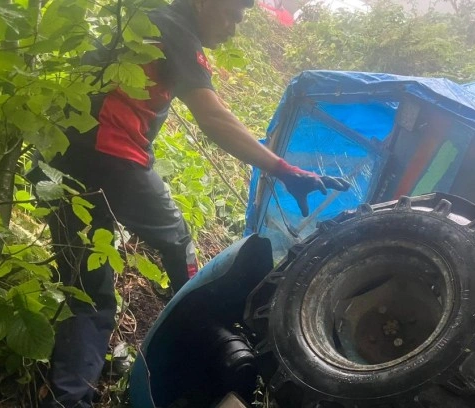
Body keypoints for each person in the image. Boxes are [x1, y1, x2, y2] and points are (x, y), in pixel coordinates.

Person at [38, 0, 350, 405]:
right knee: (178, 242)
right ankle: (195, 334)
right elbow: (213, 117)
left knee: (85, 291)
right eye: (233, 16)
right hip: (112, 156)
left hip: (55, 158)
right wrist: (286, 170)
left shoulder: (144, 19)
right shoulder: (176, 29)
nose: (235, 29)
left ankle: (70, 397)